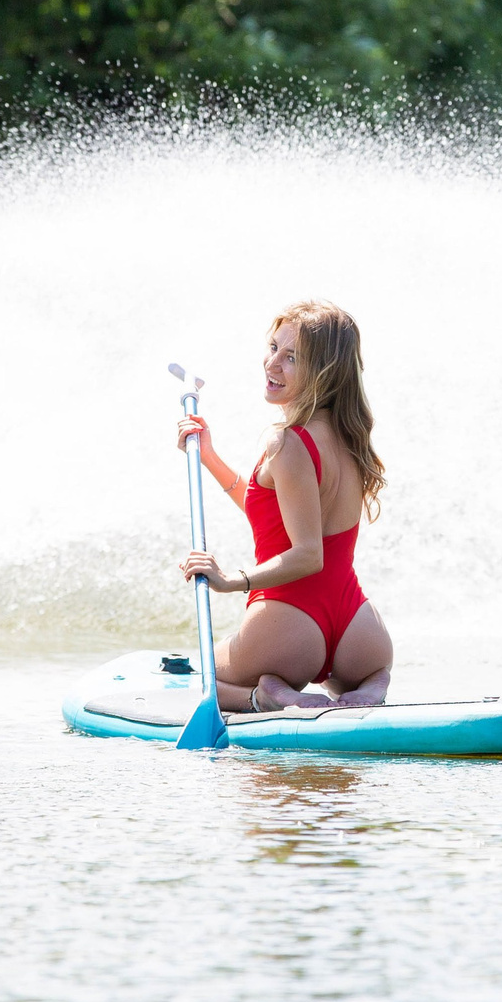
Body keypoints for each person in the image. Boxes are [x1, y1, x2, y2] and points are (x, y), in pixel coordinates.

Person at [175, 300, 392, 712]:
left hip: (288, 625)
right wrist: (209, 457)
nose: (272, 364)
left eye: (291, 358)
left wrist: (230, 580)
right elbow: (279, 516)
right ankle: (372, 684)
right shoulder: (349, 437)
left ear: (323, 372)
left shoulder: (289, 442)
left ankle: (266, 696)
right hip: (358, 630)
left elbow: (308, 554)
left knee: (201, 676)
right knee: (368, 672)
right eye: (273, 347)